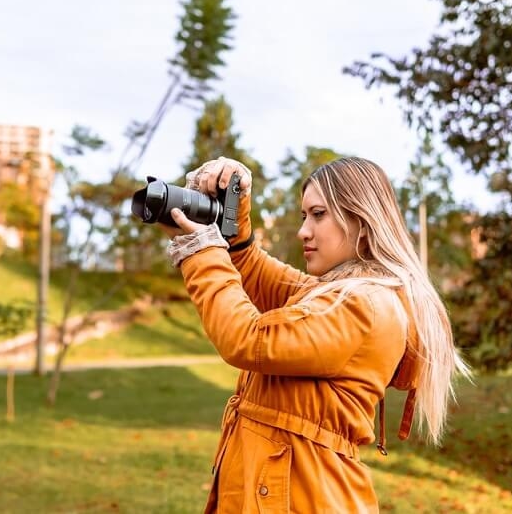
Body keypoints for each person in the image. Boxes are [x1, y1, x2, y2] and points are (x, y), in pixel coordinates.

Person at [160, 156, 470, 513]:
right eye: (304, 216)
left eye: (318, 215)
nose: (303, 231)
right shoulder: (334, 295)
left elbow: (247, 340)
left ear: (362, 222)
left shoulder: (363, 306)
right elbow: (254, 271)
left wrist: (202, 252)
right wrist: (233, 219)